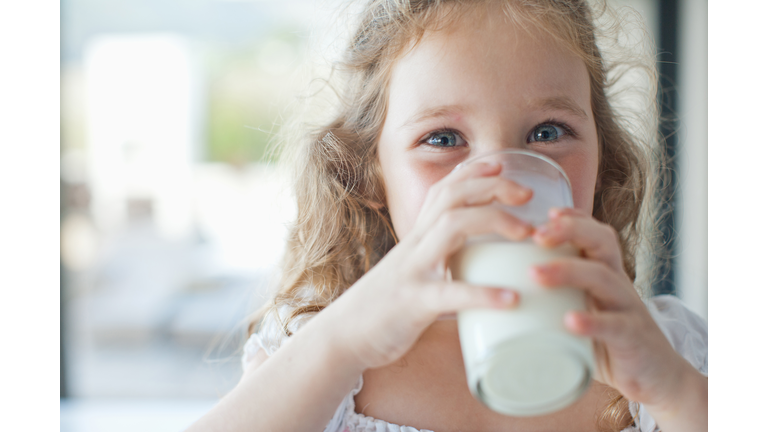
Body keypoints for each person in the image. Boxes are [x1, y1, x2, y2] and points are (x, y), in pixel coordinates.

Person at [188, 1, 708, 431]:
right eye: (442, 140)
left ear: (602, 155)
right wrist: (342, 341)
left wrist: (673, 390)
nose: (501, 181)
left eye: (548, 133)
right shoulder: (317, 367)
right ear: (370, 176)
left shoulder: (667, 352)